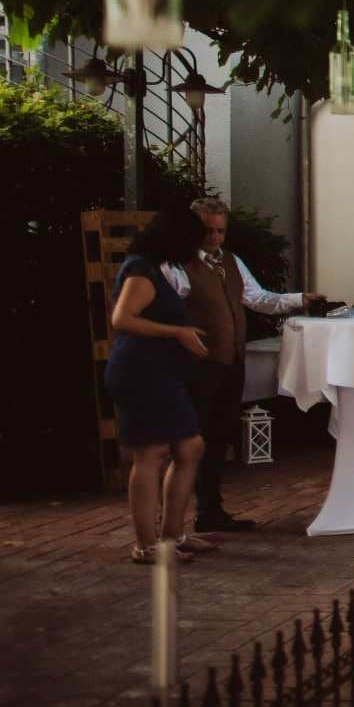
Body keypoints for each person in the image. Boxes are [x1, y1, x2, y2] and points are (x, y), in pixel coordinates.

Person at [175, 197, 325, 533]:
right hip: (198, 364)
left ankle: (210, 510)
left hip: (231, 362)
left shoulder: (231, 261)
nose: (214, 238)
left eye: (220, 231)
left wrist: (299, 300)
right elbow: (164, 308)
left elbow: (258, 298)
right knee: (192, 439)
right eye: (208, 230)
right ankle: (177, 518)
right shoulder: (178, 265)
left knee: (218, 436)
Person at [106, 208, 213, 565]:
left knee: (190, 448)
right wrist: (178, 332)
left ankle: (172, 535)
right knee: (150, 454)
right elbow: (122, 319)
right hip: (141, 372)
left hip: (162, 373)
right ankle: (146, 545)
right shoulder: (140, 270)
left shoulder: (154, 268)